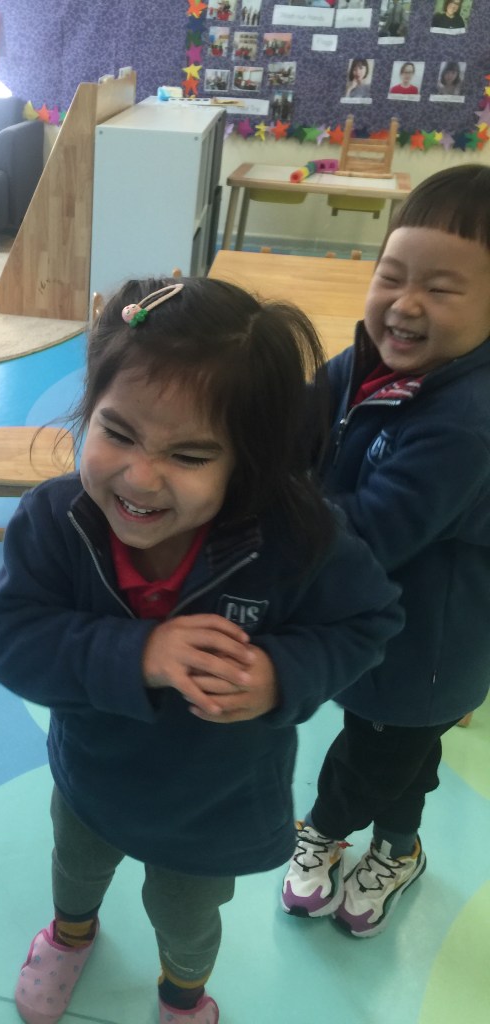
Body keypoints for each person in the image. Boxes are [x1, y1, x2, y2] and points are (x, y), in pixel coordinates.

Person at [0, 277, 403, 1024]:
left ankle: (182, 997)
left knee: (187, 916)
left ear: (248, 461)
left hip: (213, 805)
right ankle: (70, 936)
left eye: (191, 454)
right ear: (87, 409)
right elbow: (3, 634)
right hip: (93, 778)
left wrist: (282, 675)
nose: (140, 477)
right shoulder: (56, 521)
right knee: (75, 869)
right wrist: (137, 653)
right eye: (117, 433)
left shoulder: (297, 538)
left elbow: (369, 619)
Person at [281, 164, 490, 938]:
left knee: (372, 752)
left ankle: (323, 830)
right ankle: (399, 850)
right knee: (406, 750)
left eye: (440, 288)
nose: (404, 304)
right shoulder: (369, 362)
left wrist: (264, 515)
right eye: (391, 275)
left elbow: (374, 532)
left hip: (423, 648)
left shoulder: (467, 421)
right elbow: (302, 425)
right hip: (380, 628)